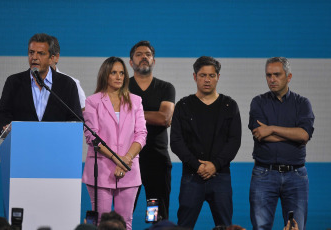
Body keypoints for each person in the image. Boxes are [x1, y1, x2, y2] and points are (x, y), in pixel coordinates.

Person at [170, 56, 242, 228]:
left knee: (225, 226)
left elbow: (234, 141)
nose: (207, 80)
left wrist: (215, 165)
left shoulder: (229, 105)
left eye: (211, 75)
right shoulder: (183, 105)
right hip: (192, 177)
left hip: (221, 176)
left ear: (218, 77)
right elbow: (176, 141)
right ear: (194, 77)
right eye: (202, 75)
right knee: (184, 226)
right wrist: (197, 165)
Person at [248, 57, 315, 230]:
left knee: (296, 228)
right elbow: (260, 135)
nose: (272, 79)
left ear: (289, 76)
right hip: (264, 174)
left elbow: (303, 135)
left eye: (277, 75)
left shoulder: (302, 103)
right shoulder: (258, 102)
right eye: (268, 75)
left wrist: (271, 129)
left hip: (296, 176)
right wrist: (291, 134)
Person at [82, 57, 147, 230]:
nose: (119, 77)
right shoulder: (92, 101)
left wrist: (126, 159)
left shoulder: (136, 101)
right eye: (113, 73)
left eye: (122, 73)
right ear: (105, 75)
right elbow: (91, 136)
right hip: (101, 170)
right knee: (100, 223)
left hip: (128, 169)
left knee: (125, 222)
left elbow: (141, 134)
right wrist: (119, 160)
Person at [0, 33, 83, 136]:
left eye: (40, 53)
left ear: (51, 58)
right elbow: (2, 115)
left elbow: (76, 120)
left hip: (55, 146)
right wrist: (5, 128)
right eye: (31, 52)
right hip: (22, 145)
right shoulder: (14, 82)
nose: (34, 57)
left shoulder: (67, 84)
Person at [128, 41, 175, 220]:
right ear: (131, 63)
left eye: (148, 54)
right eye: (139, 54)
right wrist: (150, 115)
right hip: (127, 160)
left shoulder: (165, 88)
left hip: (156, 162)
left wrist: (131, 112)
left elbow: (164, 118)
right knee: (125, 212)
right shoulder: (122, 87)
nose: (144, 57)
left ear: (153, 61)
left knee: (155, 215)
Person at [50, 36, 86, 110]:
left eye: (42, 54)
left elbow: (83, 112)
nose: (36, 58)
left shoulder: (72, 84)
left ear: (56, 57)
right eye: (32, 52)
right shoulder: (21, 82)